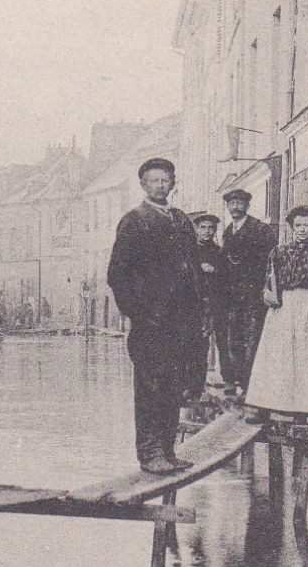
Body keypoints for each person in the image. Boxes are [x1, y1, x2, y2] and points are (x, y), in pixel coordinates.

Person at [106, 157, 201, 475]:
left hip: (180, 320)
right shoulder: (134, 221)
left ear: (173, 184)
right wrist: (137, 312)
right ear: (144, 185)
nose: (161, 185)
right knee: (151, 386)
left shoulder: (182, 221)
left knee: (174, 385)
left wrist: (196, 311)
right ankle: (150, 453)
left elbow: (193, 270)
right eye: (155, 180)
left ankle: (169, 451)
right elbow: (118, 274)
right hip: (149, 322)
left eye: (166, 180)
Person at [244, 205, 308, 416]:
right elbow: (267, 281)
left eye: (307, 225)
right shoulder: (279, 252)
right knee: (277, 355)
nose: (302, 229)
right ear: (291, 226)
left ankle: (307, 407)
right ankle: (270, 404)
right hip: (283, 307)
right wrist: (267, 294)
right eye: (298, 225)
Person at [218, 187, 276, 400]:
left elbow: (268, 261)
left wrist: (262, 287)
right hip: (233, 298)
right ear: (228, 207)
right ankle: (238, 382)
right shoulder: (227, 231)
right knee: (234, 339)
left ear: (247, 206)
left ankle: (251, 386)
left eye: (239, 203)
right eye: (232, 204)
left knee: (253, 339)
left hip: (253, 296)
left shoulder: (259, 230)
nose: (235, 207)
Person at [187, 211, 226, 402]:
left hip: (214, 305)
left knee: (212, 345)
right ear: (196, 229)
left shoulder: (219, 253)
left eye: (211, 228)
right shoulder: (188, 252)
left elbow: (228, 280)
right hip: (191, 305)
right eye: (203, 227)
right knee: (191, 347)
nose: (207, 231)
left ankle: (198, 390)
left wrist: (215, 270)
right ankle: (189, 389)